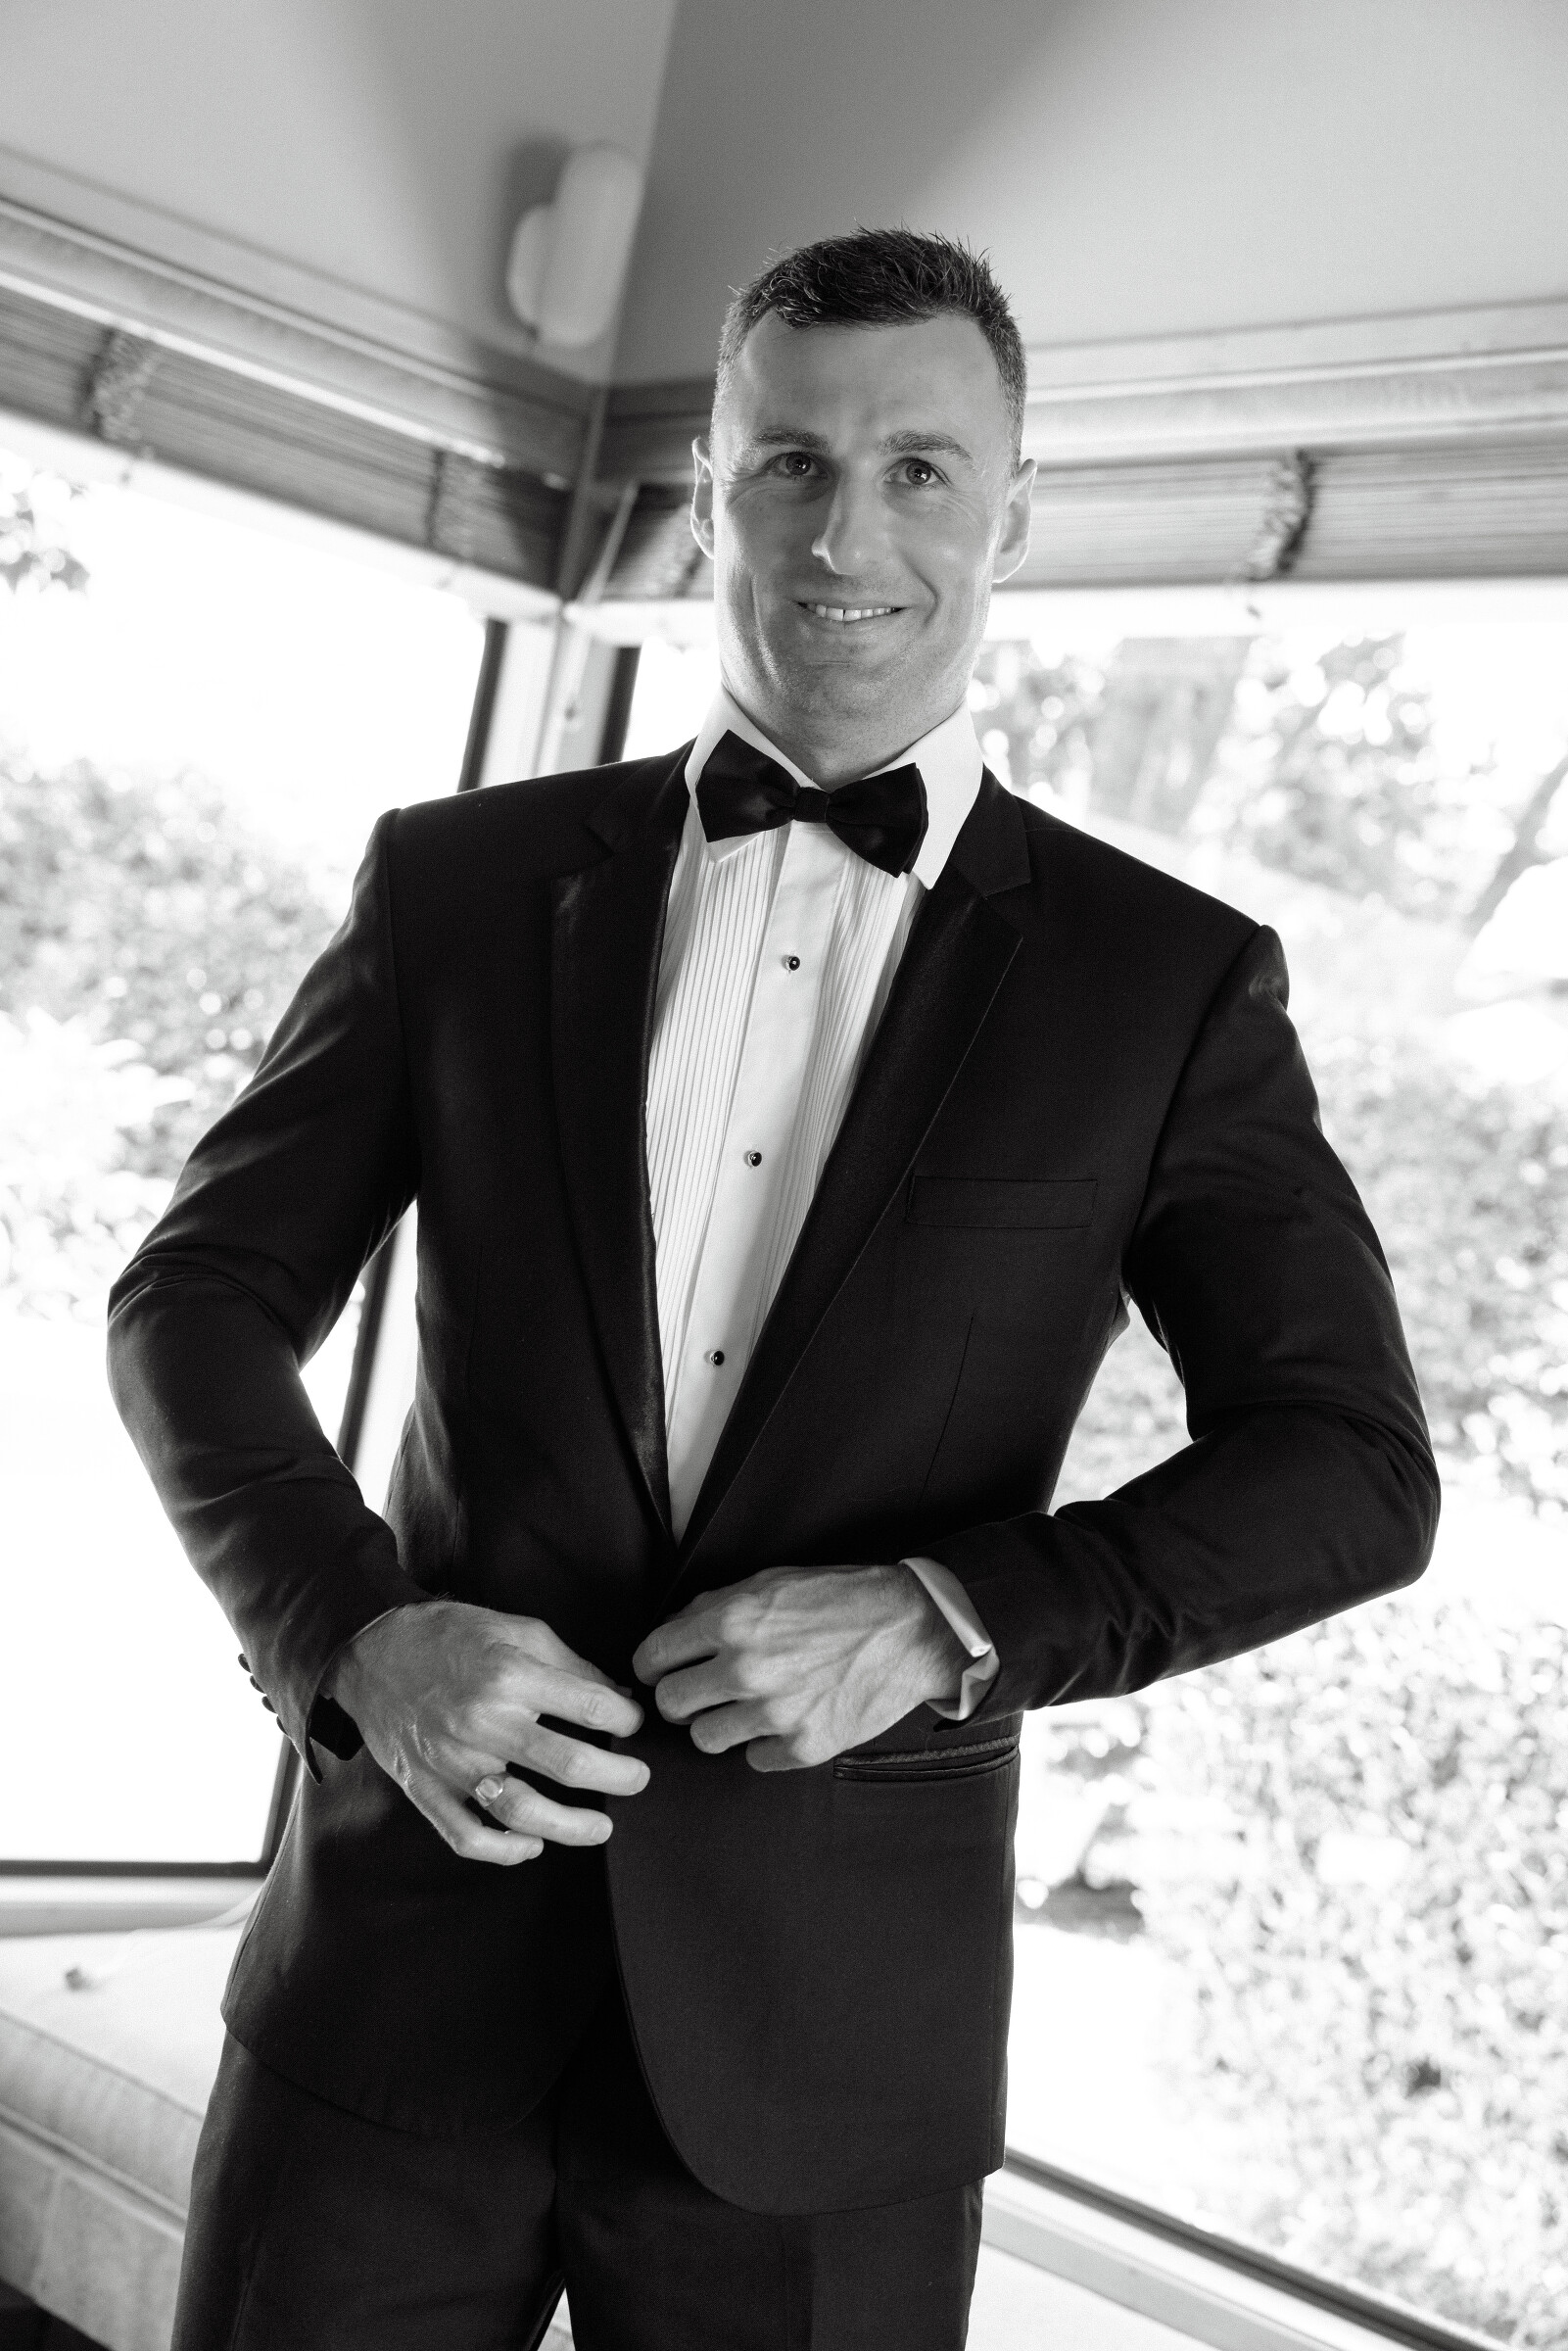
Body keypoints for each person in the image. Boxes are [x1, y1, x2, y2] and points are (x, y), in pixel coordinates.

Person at [109, 227, 1439, 2350]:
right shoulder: (455, 885)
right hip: (392, 1987)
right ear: (707, 492)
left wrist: (945, 1616)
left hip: (838, 2054)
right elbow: (194, 1299)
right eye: (790, 465)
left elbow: (1350, 1468)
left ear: (1013, 514)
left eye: (920, 470)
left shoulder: (1165, 985)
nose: (845, 535)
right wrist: (348, 1629)